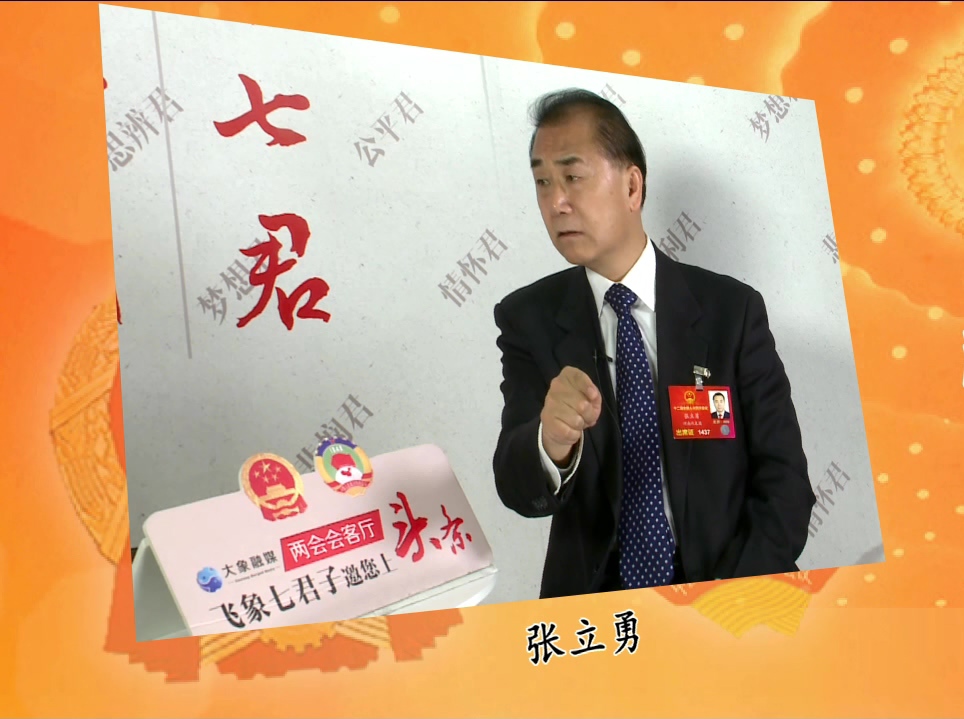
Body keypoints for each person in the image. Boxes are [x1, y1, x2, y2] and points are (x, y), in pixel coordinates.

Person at [491, 89, 816, 600]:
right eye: (542, 182)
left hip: (730, 587)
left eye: (573, 177)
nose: (556, 203)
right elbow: (517, 489)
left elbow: (786, 483)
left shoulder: (731, 311)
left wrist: (729, 599)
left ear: (632, 186)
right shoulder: (528, 318)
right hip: (600, 607)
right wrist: (550, 442)